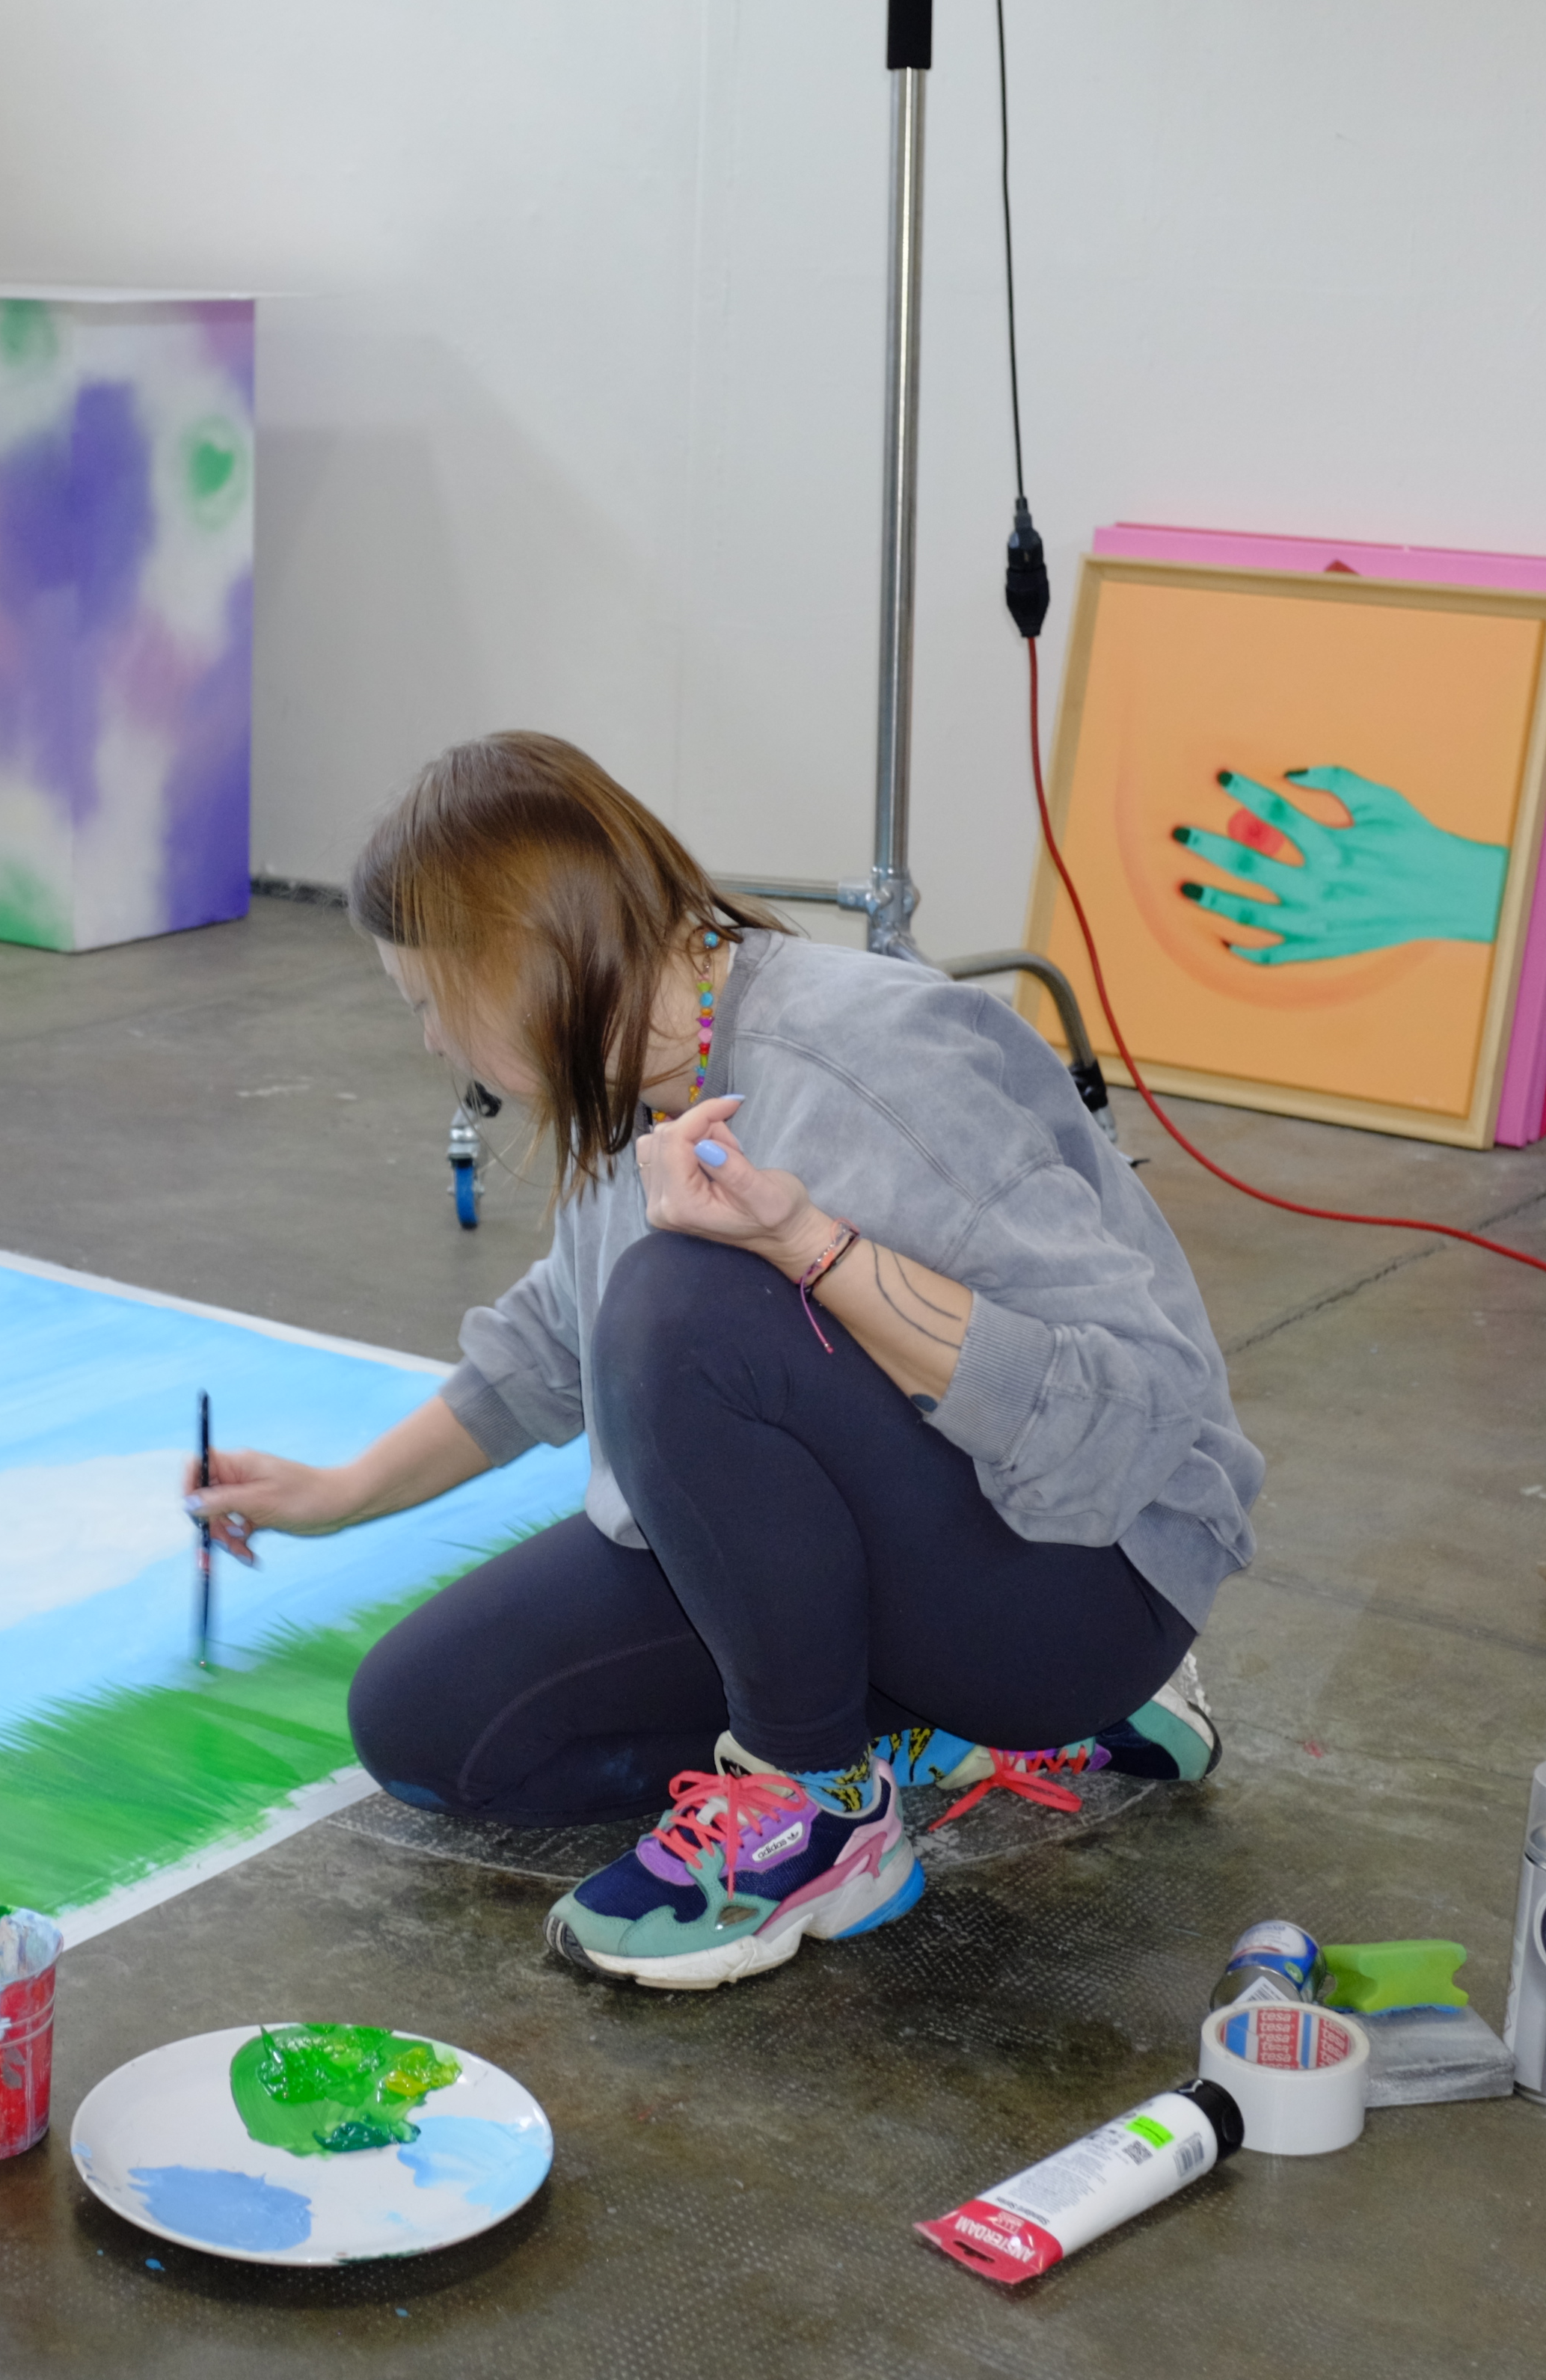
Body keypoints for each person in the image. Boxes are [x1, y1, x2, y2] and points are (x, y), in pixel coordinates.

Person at [191, 732, 1262, 1992]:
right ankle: (920, 1729)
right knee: (431, 1728)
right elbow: (557, 1335)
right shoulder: (634, 1068)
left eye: (429, 1000)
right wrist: (337, 1493)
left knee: (685, 1304)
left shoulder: (874, 1058)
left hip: (1080, 1581)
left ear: (524, 964)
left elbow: (1135, 1410)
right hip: (897, 1542)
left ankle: (822, 1810)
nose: (430, 1039)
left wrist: (812, 1247)